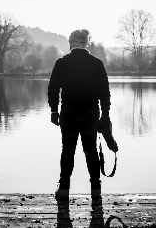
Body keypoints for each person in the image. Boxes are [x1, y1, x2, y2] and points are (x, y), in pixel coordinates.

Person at [48, 29, 111, 199]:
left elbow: (53, 89)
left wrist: (54, 111)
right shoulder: (97, 64)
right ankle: (96, 191)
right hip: (91, 113)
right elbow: (105, 92)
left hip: (68, 113)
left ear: (71, 43)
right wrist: (105, 115)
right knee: (91, 151)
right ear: (86, 43)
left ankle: (63, 189)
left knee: (68, 151)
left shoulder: (62, 63)